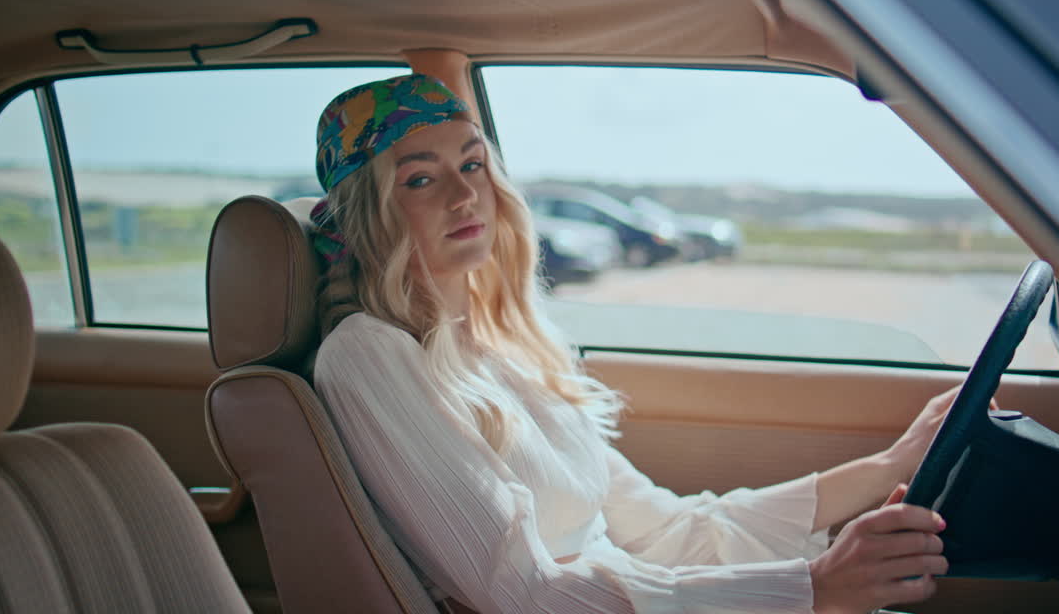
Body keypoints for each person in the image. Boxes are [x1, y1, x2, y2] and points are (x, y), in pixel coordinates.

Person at [309, 73, 953, 614]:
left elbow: (671, 529)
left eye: (472, 163)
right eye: (420, 179)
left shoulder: (506, 348)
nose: (465, 193)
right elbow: (523, 592)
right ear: (368, 209)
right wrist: (813, 589)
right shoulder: (368, 355)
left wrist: (889, 467)